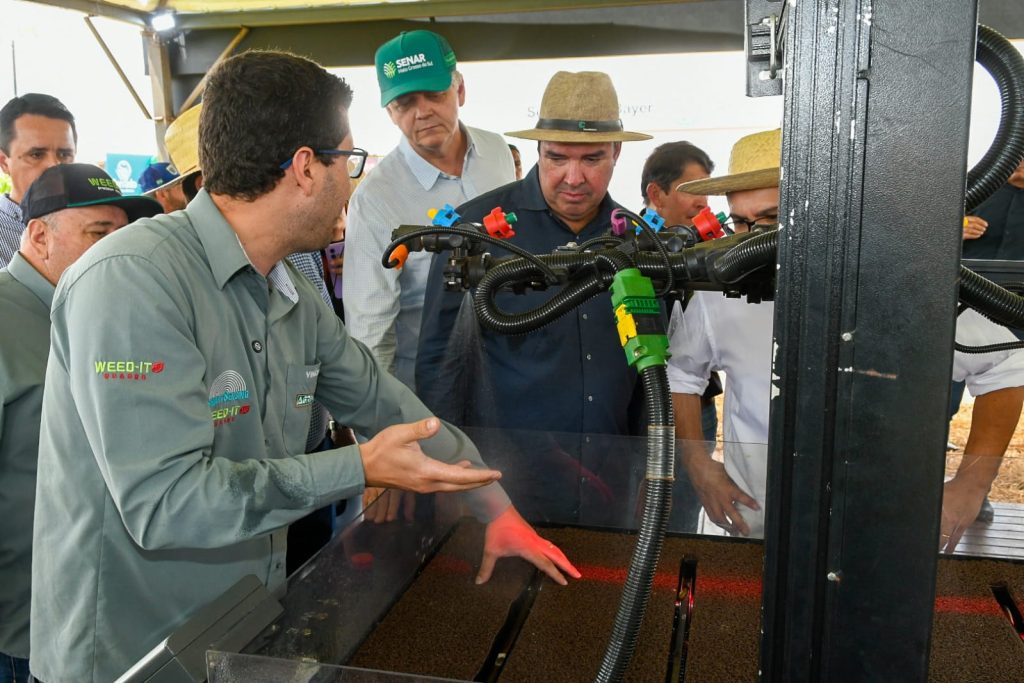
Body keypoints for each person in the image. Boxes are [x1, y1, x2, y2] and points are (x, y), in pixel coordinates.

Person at [28, 50, 578, 683]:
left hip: (238, 630)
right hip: (131, 654)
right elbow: (167, 503)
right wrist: (359, 467)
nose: (354, 182)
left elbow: (389, 406)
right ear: (306, 168)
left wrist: (497, 510)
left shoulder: (287, 286)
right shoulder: (131, 281)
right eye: (350, 161)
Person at [667, 128, 1024, 552]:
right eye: (742, 222)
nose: (753, 241)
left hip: (882, 525)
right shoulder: (721, 295)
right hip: (760, 520)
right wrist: (697, 463)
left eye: (771, 220)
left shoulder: (898, 286)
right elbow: (682, 374)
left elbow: (1005, 369)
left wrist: (972, 482)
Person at [416, 71, 652, 519]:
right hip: (505, 488)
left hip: (609, 485)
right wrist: (444, 473)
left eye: (593, 159)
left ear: (617, 153)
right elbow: (439, 364)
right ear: (537, 152)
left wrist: (646, 468)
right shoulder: (477, 230)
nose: (574, 177)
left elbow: (649, 375)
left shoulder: (637, 241)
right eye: (558, 157)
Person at [0, 163, 160, 683]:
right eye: (99, 234)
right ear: (39, 236)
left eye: (122, 233)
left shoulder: (104, 310)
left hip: (98, 617)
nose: (117, 249)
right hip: (20, 631)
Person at [343, 30, 515, 391]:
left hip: (511, 374)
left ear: (460, 91)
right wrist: (380, 428)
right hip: (428, 393)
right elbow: (370, 333)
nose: (422, 112)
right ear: (390, 112)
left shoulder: (496, 151)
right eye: (405, 103)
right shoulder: (376, 200)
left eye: (434, 94)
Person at [0, 94, 77, 267]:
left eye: (64, 154)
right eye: (36, 155)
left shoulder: (100, 223)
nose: (53, 166)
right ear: (4, 162)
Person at [640, 140, 713, 227]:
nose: (704, 204)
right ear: (656, 195)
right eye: (691, 190)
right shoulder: (623, 239)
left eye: (705, 191)